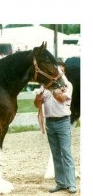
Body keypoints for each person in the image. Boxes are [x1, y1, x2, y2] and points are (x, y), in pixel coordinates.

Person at [34, 60, 77, 194]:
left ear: (63, 72)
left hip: (63, 122)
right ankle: (61, 183)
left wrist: (53, 90)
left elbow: (62, 99)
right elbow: (36, 104)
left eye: (61, 71)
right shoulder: (44, 86)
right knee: (56, 154)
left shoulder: (68, 85)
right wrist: (38, 98)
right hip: (50, 123)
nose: (59, 74)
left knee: (66, 153)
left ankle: (71, 184)